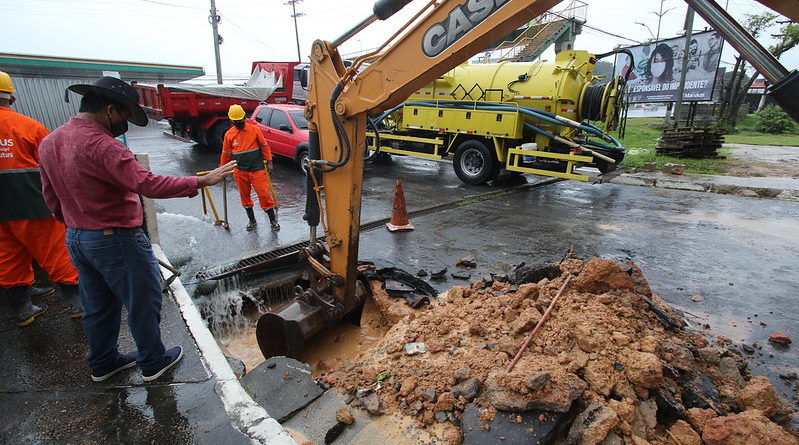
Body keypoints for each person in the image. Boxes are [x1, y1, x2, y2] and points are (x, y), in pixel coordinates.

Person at [38, 76, 236, 382]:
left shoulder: (50, 142)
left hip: (78, 238)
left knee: (97, 304)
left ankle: (103, 362)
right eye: (125, 115)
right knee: (142, 300)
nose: (124, 123)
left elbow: (50, 196)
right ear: (109, 110)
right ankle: (153, 361)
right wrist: (200, 180)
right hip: (116, 238)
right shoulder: (104, 146)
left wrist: (77, 226)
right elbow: (147, 183)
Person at [0, 70, 82, 327]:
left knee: (7, 256)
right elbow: (56, 166)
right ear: (10, 98)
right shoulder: (28, 127)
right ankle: (78, 303)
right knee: (56, 253)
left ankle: (24, 308)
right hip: (33, 204)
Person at [220, 104, 280, 231]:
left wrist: (269, 162)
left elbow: (264, 146)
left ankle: (272, 221)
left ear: (244, 118)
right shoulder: (229, 135)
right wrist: (222, 170)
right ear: (231, 121)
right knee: (245, 196)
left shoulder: (254, 130)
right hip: (240, 171)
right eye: (235, 121)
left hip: (257, 169)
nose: (238, 122)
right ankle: (252, 220)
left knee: (264, 194)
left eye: (240, 120)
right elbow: (226, 154)